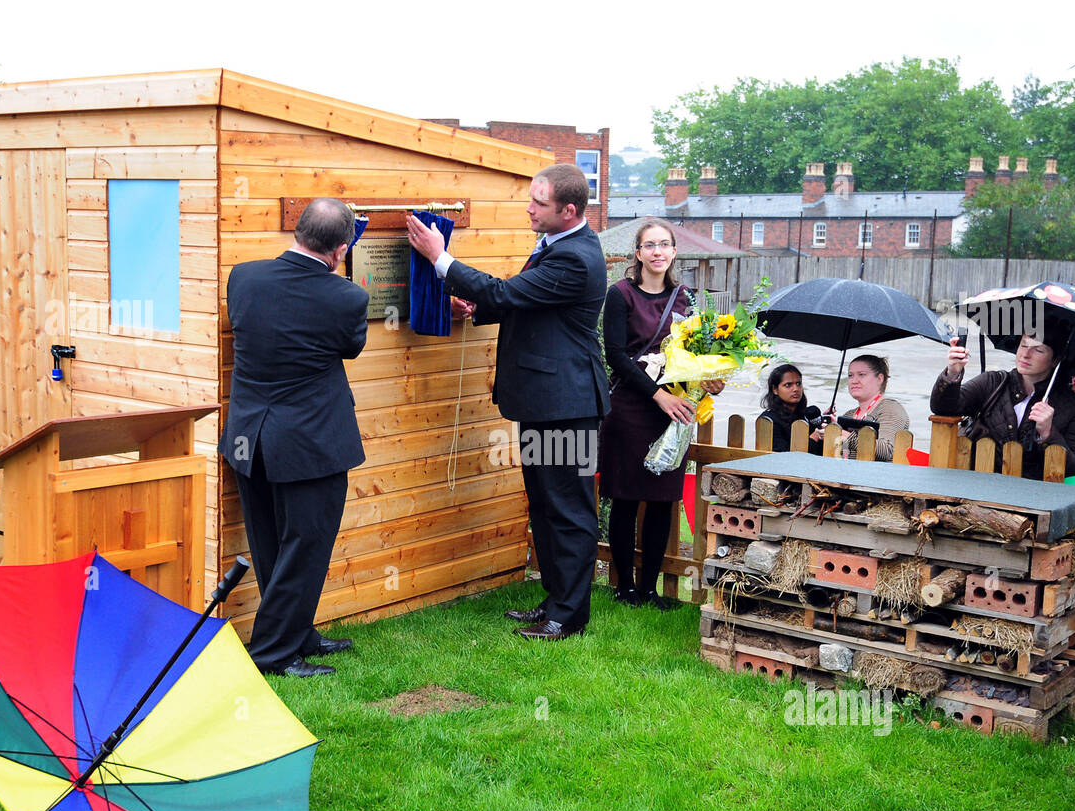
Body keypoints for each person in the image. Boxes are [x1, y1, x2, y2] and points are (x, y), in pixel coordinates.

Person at [406, 163, 608, 640]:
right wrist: (476, 306)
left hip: (567, 406)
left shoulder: (575, 257)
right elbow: (522, 302)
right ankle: (557, 600)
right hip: (545, 402)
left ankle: (571, 616)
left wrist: (441, 258)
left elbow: (506, 291)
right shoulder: (558, 245)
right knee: (543, 502)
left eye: (539, 203)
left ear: (569, 210)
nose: (529, 208)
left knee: (569, 510)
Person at [219, 198, 368, 677]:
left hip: (249, 439)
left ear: (299, 231)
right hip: (309, 445)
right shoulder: (346, 298)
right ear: (341, 250)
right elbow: (352, 346)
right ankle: (273, 653)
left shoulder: (243, 277)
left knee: (271, 545)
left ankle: (297, 634)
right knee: (304, 547)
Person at [597, 220, 722, 609]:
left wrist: (713, 379)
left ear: (673, 252)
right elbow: (615, 355)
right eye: (649, 245)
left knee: (661, 498)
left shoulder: (688, 299)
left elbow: (701, 352)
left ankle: (649, 589)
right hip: (632, 405)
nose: (657, 252)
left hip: (674, 410)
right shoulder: (619, 295)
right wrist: (658, 395)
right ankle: (624, 588)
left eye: (664, 245)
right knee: (627, 498)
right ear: (637, 253)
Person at [930, 332, 1075, 479]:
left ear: (1055, 360)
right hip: (978, 486)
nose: (1025, 355)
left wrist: (1049, 435)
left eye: (1038, 350)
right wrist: (952, 374)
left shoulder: (1072, 404)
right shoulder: (993, 383)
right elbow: (943, 408)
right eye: (1023, 345)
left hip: (1034, 499)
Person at [838, 354, 908, 461]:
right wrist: (829, 430)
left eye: (861, 374)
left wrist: (848, 437)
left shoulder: (890, 409)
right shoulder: (848, 415)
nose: (854, 380)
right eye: (850, 375)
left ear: (880, 379)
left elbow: (886, 450)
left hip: (878, 475)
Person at [759, 363, 824, 454]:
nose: (796, 389)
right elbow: (783, 456)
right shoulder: (769, 420)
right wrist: (813, 438)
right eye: (788, 385)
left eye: (798, 384)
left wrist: (824, 429)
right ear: (775, 389)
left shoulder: (805, 415)